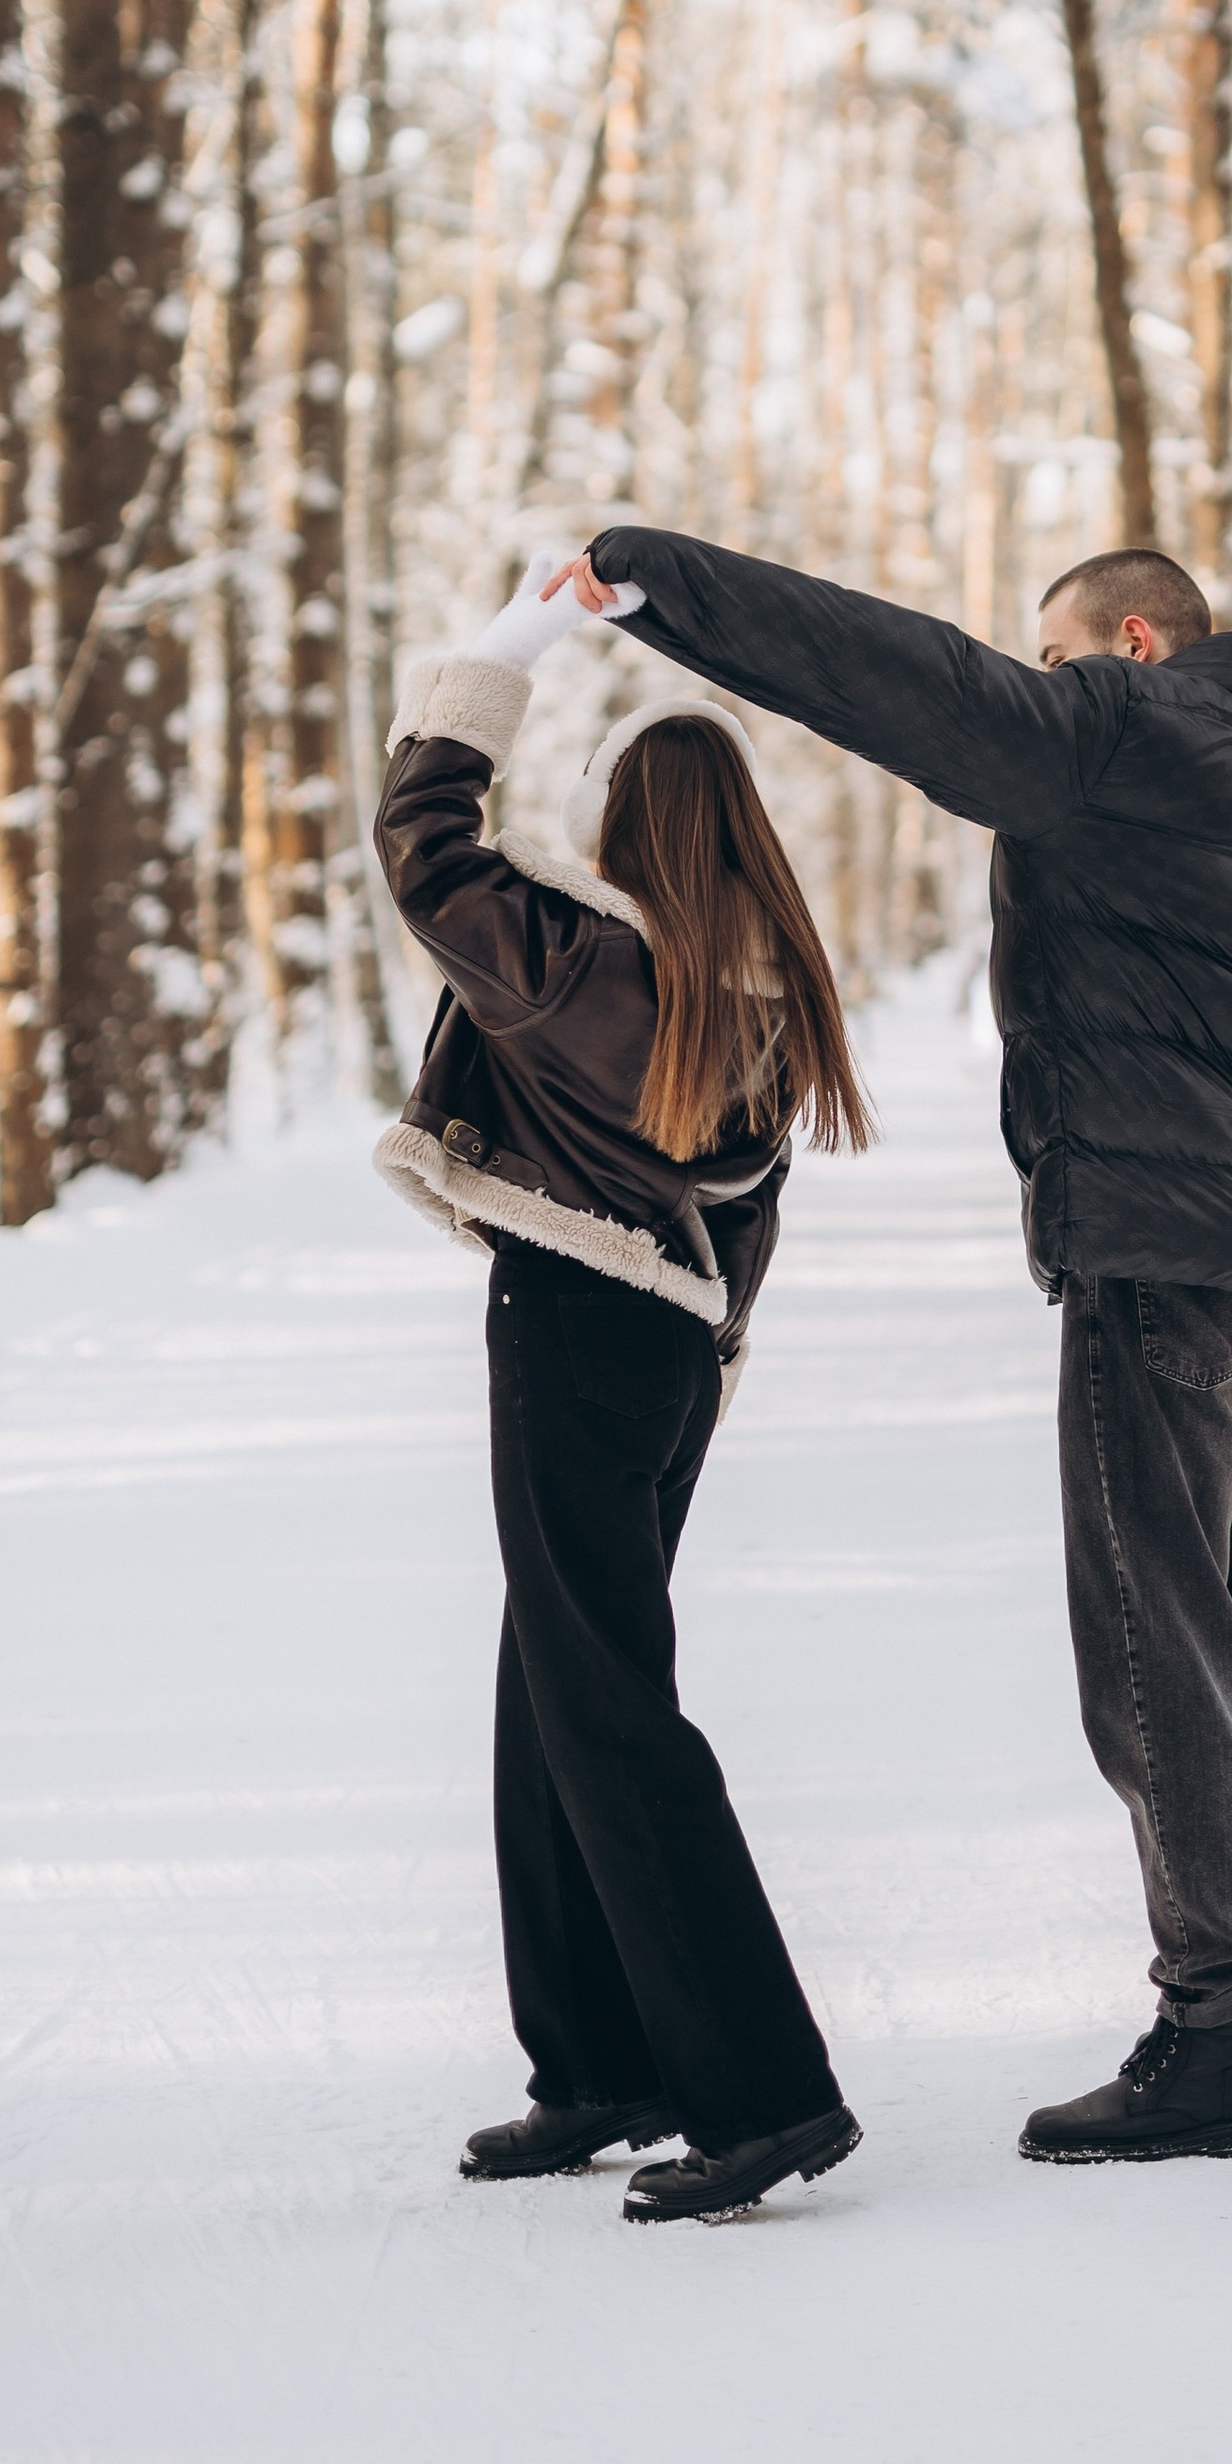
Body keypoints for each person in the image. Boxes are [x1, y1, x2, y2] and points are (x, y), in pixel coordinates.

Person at [549, 527, 1232, 2168]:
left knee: (1153, 1641)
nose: (1038, 684)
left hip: (1150, 1246)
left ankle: (1210, 2033)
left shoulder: (1128, 733)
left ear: (1134, 649)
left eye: (1057, 657)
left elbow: (905, 678)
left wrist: (661, 583)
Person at [374, 564, 872, 2223]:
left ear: (618, 827)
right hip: (667, 1356)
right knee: (553, 1690)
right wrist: (710, 1368)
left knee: (607, 1713)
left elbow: (422, 835)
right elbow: (753, 1216)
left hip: (582, 1335)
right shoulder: (765, 995)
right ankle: (594, 2069)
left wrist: (518, 641)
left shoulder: (577, 960)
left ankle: (762, 2094)